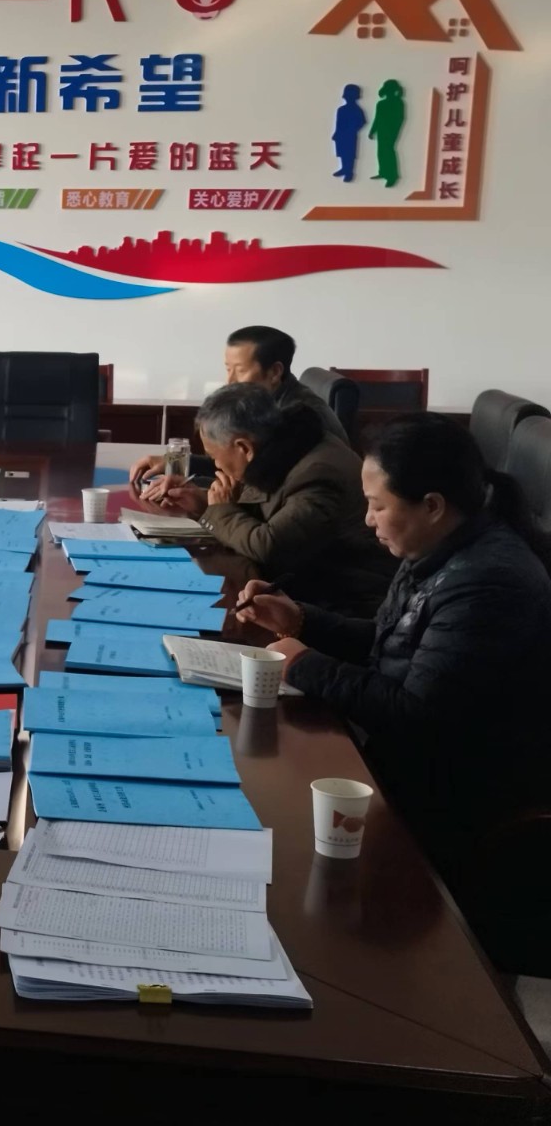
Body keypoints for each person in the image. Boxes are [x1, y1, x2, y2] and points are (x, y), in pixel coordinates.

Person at [238, 414, 551, 971]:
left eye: (377, 506)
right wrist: (302, 620)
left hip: (457, 795)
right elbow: (392, 644)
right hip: (403, 757)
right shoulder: (439, 548)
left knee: (277, 841)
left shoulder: (489, 582)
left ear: (432, 505)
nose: (367, 520)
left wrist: (304, 664)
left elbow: (417, 713)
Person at [155, 384, 395, 614]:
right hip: (308, 579)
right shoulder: (281, 445)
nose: (216, 465)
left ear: (244, 448)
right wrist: (204, 504)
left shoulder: (317, 472)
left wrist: (219, 512)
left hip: (344, 600)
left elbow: (270, 546)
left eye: (214, 456)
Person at [131, 324, 348, 496]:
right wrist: (178, 464)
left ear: (274, 372)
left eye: (240, 371)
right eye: (228, 369)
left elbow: (257, 484)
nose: (230, 381)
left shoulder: (299, 419)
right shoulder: (265, 406)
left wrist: (192, 489)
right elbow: (242, 463)